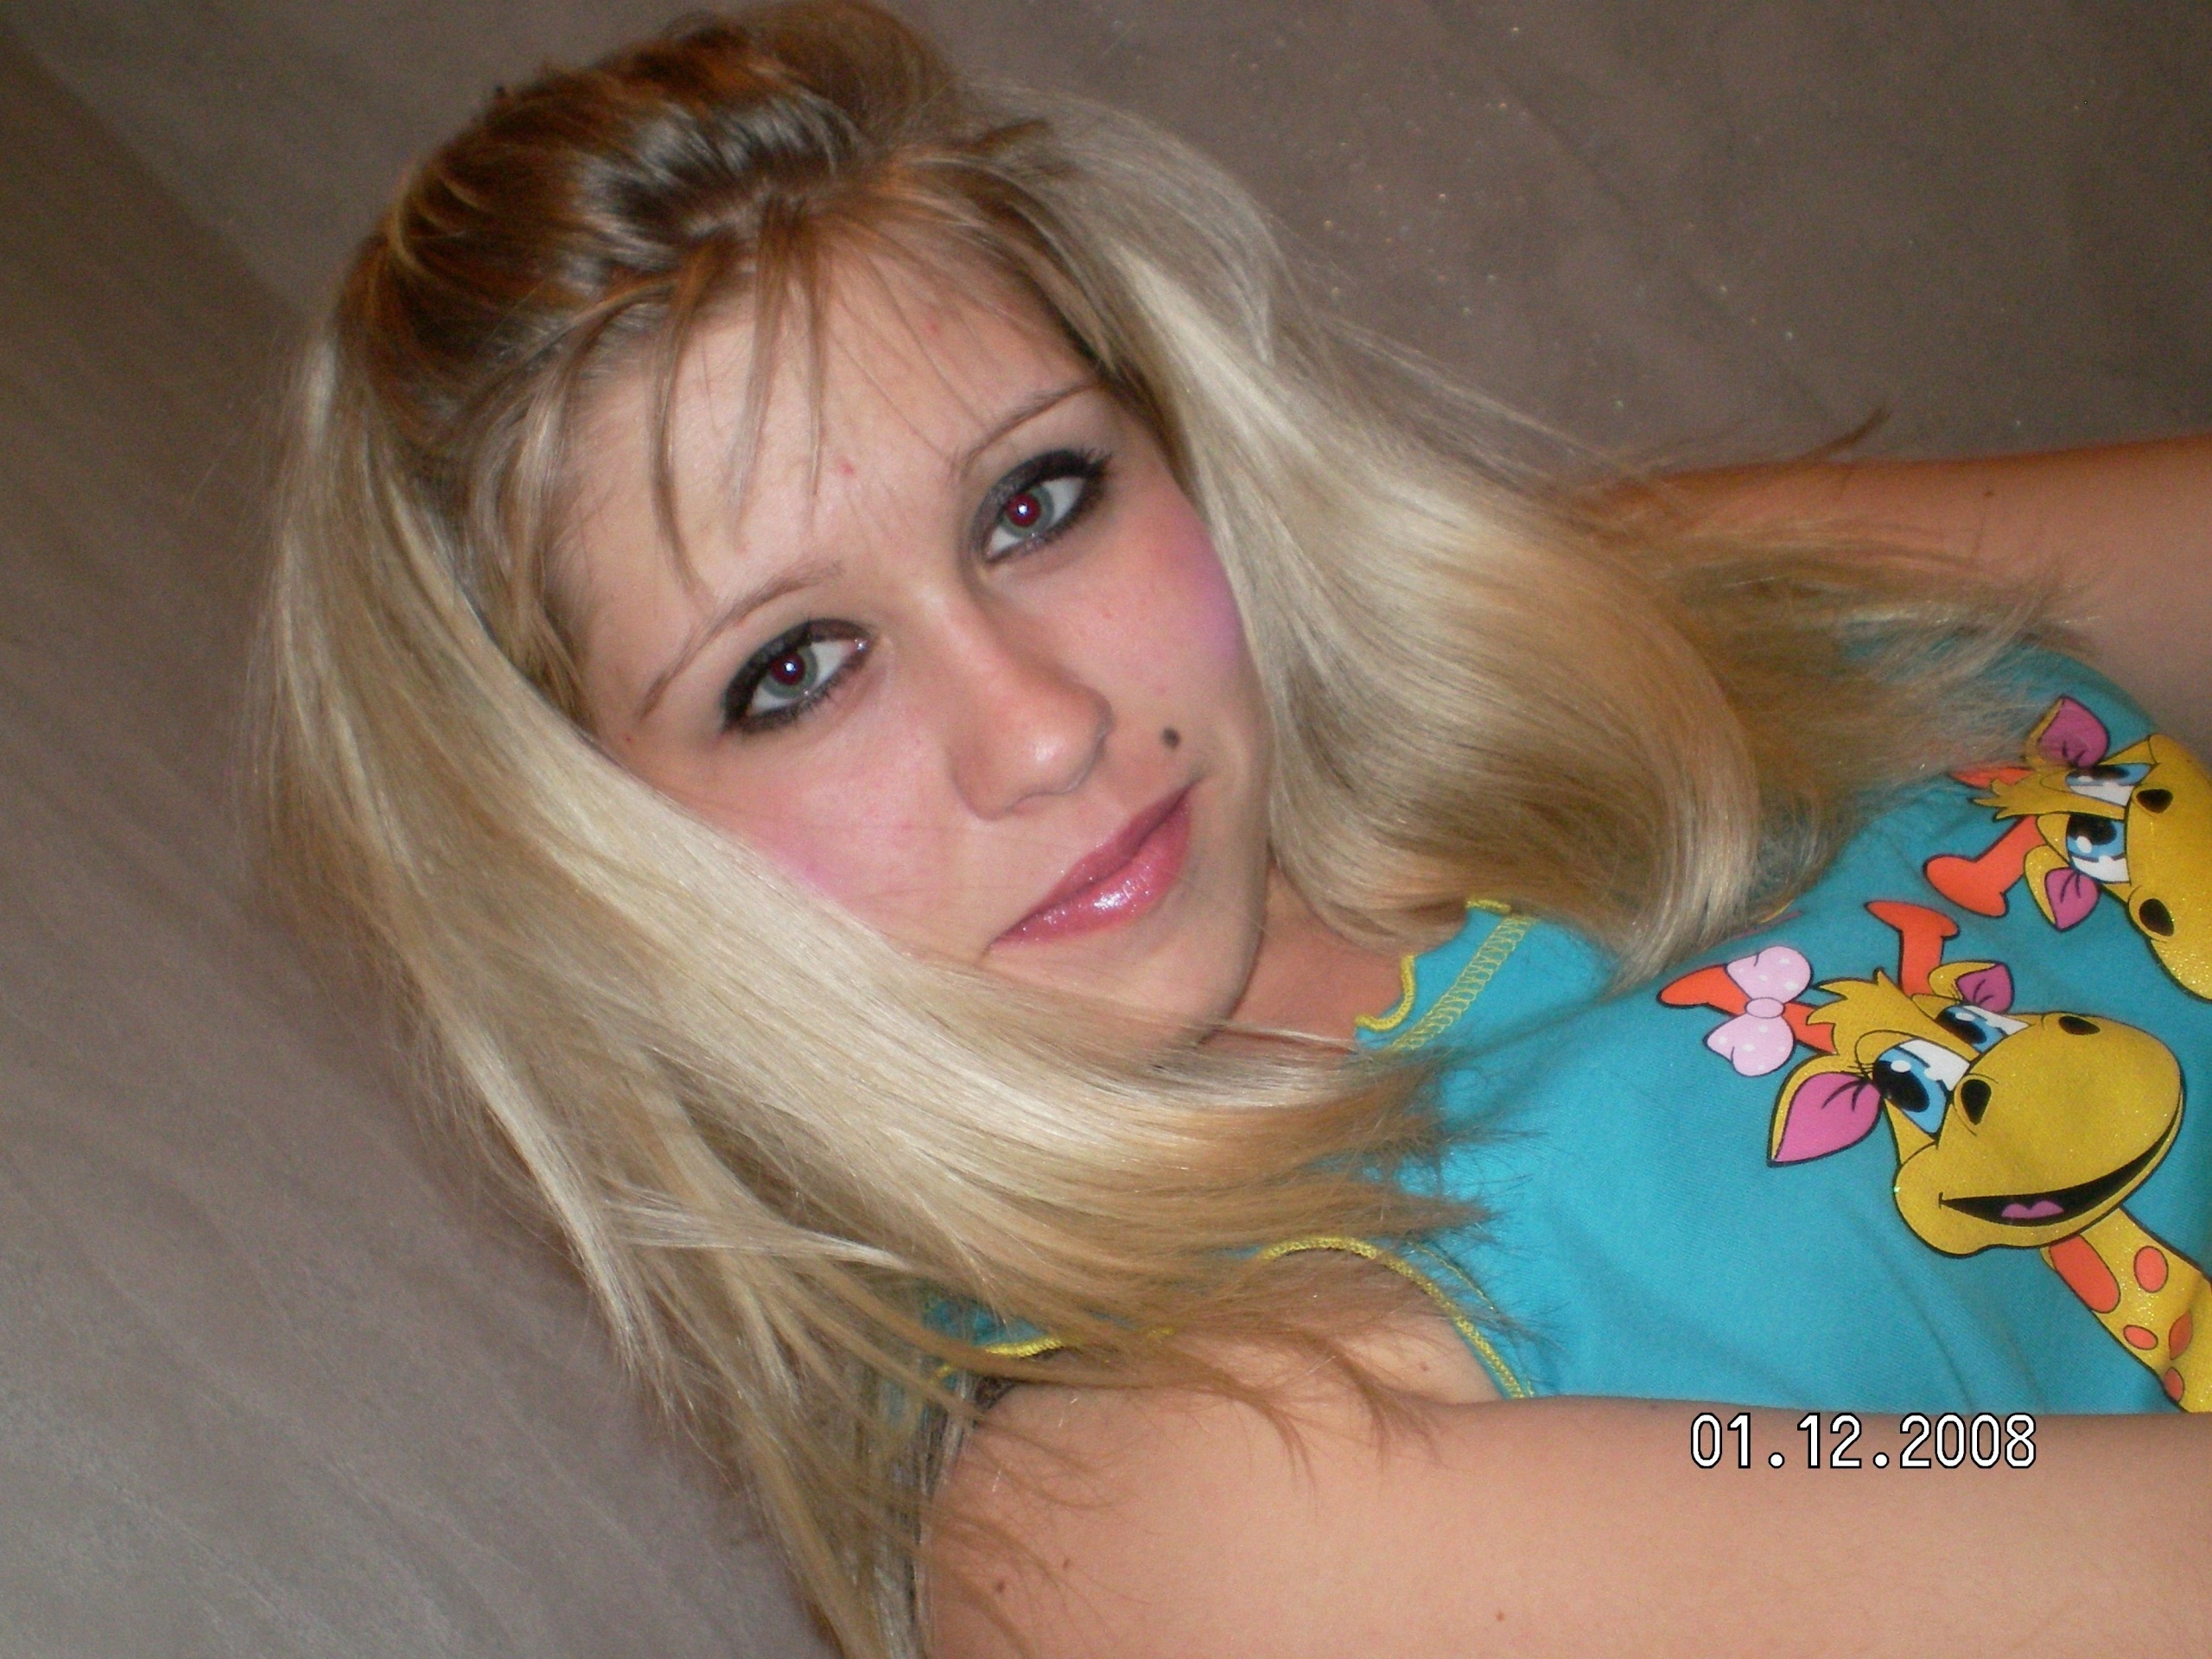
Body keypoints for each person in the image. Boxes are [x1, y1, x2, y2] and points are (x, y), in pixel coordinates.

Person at [257, 4, 2212, 1656]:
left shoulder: (1608, 607)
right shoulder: (1147, 1510)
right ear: (600, 872)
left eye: (1034, 501)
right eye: (792, 673)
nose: (1042, 726)